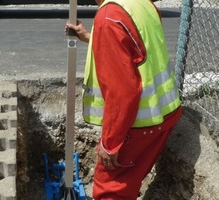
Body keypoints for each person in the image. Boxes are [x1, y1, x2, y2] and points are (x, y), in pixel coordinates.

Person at [66, 0, 182, 199]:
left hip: (138, 125)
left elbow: (122, 92)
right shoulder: (142, 3)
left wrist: (110, 144)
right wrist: (92, 37)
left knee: (110, 190)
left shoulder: (109, 18)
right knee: (129, 180)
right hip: (165, 115)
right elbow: (136, 48)